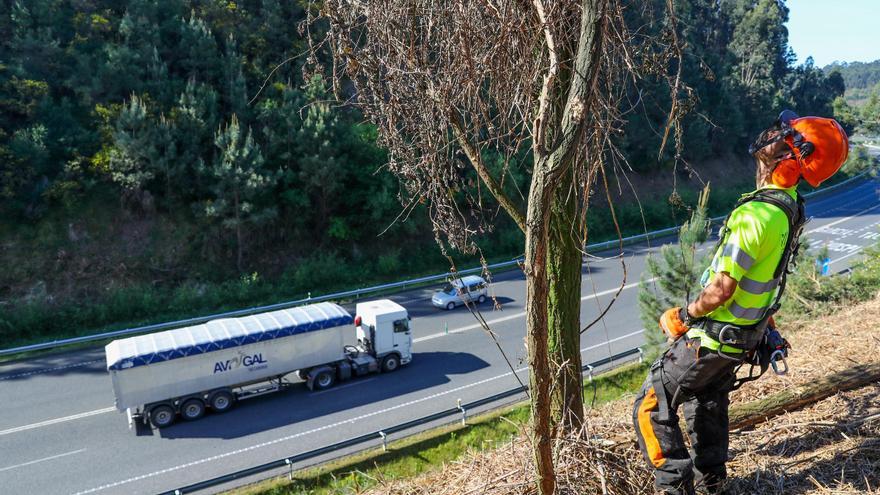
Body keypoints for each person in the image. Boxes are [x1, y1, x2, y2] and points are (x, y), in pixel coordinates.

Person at [632, 111, 849, 495]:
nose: (773, 134)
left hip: (714, 336)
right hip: (743, 337)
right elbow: (769, 275)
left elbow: (721, 290)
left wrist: (682, 316)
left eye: (784, 135)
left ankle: (673, 487)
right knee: (707, 401)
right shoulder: (789, 206)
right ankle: (712, 484)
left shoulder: (755, 215)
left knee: (650, 404)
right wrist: (769, 324)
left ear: (788, 157)